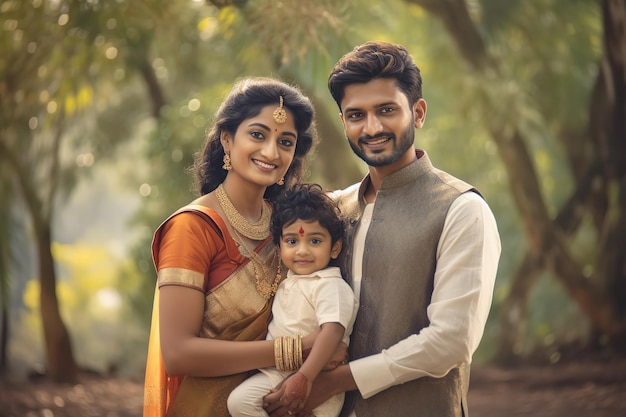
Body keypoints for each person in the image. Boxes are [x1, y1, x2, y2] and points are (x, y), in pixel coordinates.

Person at [264, 41, 501, 417]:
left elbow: (451, 341)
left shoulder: (461, 209)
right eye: (356, 115)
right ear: (343, 122)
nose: (371, 127)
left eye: (387, 110)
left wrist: (333, 381)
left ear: (418, 113)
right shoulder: (333, 212)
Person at [143, 77, 321, 417]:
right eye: (257, 134)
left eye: (286, 142)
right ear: (227, 139)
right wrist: (291, 351)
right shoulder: (193, 228)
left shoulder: (289, 229)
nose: (271, 152)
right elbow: (179, 353)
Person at [227, 183, 358, 417]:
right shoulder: (288, 282)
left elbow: (333, 331)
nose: (302, 251)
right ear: (278, 247)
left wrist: (304, 377)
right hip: (276, 373)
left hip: (317, 377)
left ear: (335, 248)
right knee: (239, 403)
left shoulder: (330, 285)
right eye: (292, 241)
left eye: (315, 241)